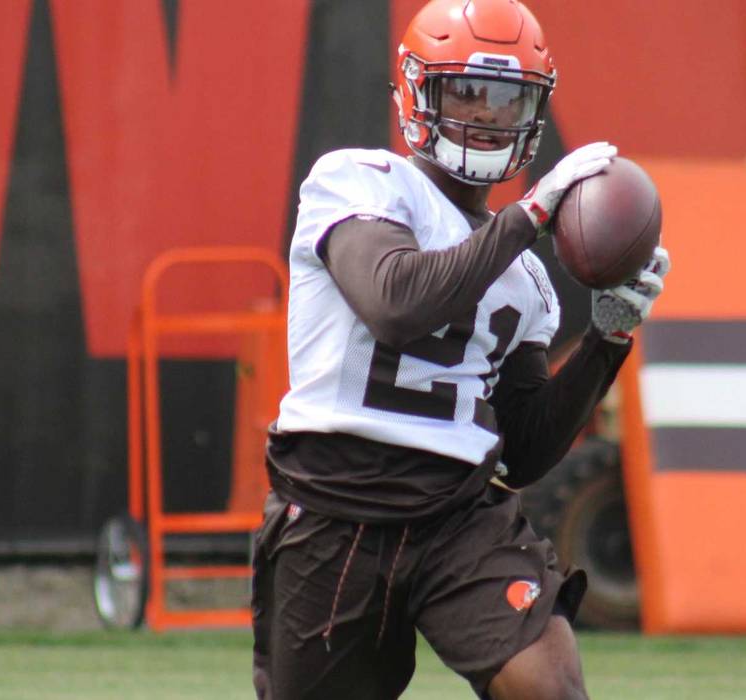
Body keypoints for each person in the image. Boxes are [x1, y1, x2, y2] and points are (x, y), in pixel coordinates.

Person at [252, 1, 670, 698]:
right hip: (335, 501)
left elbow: (525, 447)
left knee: (550, 686)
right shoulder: (357, 179)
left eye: (508, 100)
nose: (485, 115)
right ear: (417, 91)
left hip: (456, 513)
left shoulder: (527, 275)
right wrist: (528, 217)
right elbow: (396, 305)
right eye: (465, 91)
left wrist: (608, 335)